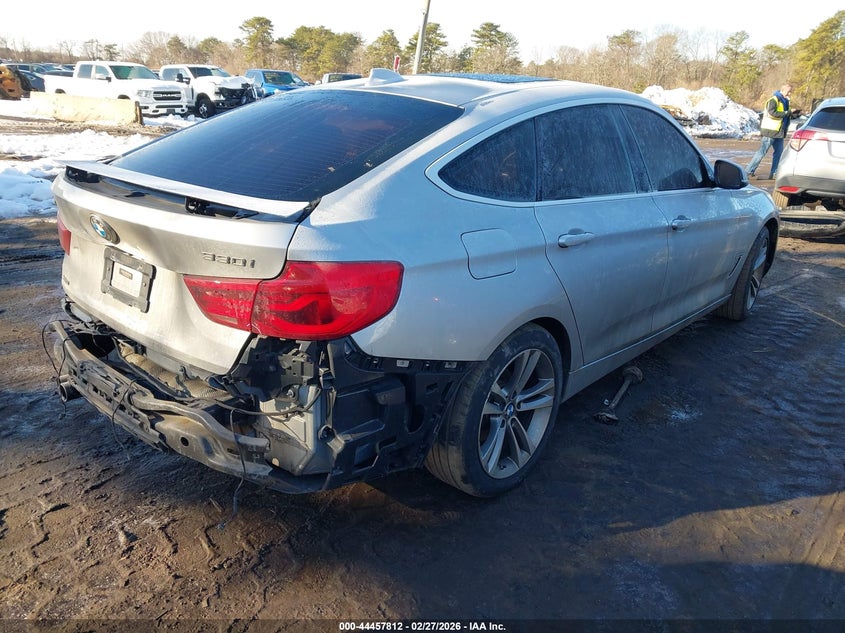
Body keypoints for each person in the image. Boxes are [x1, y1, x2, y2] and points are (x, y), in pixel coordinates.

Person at [746, 83, 801, 180]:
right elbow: (772, 113)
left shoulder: (784, 101)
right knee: (762, 152)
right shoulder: (773, 100)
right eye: (789, 91)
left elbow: (785, 115)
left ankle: (774, 173)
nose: (790, 94)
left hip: (779, 132)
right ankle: (749, 172)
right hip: (770, 132)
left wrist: (794, 115)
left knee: (778, 153)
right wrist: (788, 112)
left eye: (790, 92)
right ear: (783, 90)